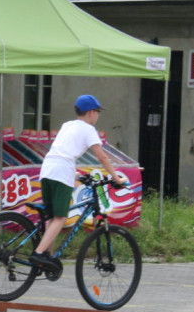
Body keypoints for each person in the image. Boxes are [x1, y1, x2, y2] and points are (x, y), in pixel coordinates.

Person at [30, 94, 127, 272]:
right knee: (61, 218)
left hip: (48, 168)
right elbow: (102, 157)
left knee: (51, 217)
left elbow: (63, 150)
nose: (98, 116)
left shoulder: (67, 125)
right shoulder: (88, 130)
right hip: (61, 171)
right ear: (91, 112)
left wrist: (74, 173)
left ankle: (46, 260)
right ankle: (39, 253)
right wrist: (116, 177)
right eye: (98, 112)